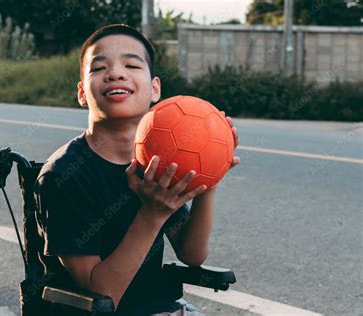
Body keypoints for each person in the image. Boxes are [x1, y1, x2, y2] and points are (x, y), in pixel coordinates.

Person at [34, 24, 240, 315]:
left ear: (155, 88)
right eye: (99, 67)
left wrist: (210, 174)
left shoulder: (157, 163)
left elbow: (192, 254)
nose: (116, 73)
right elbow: (102, 296)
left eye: (131, 64)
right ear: (82, 92)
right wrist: (151, 215)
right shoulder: (64, 175)